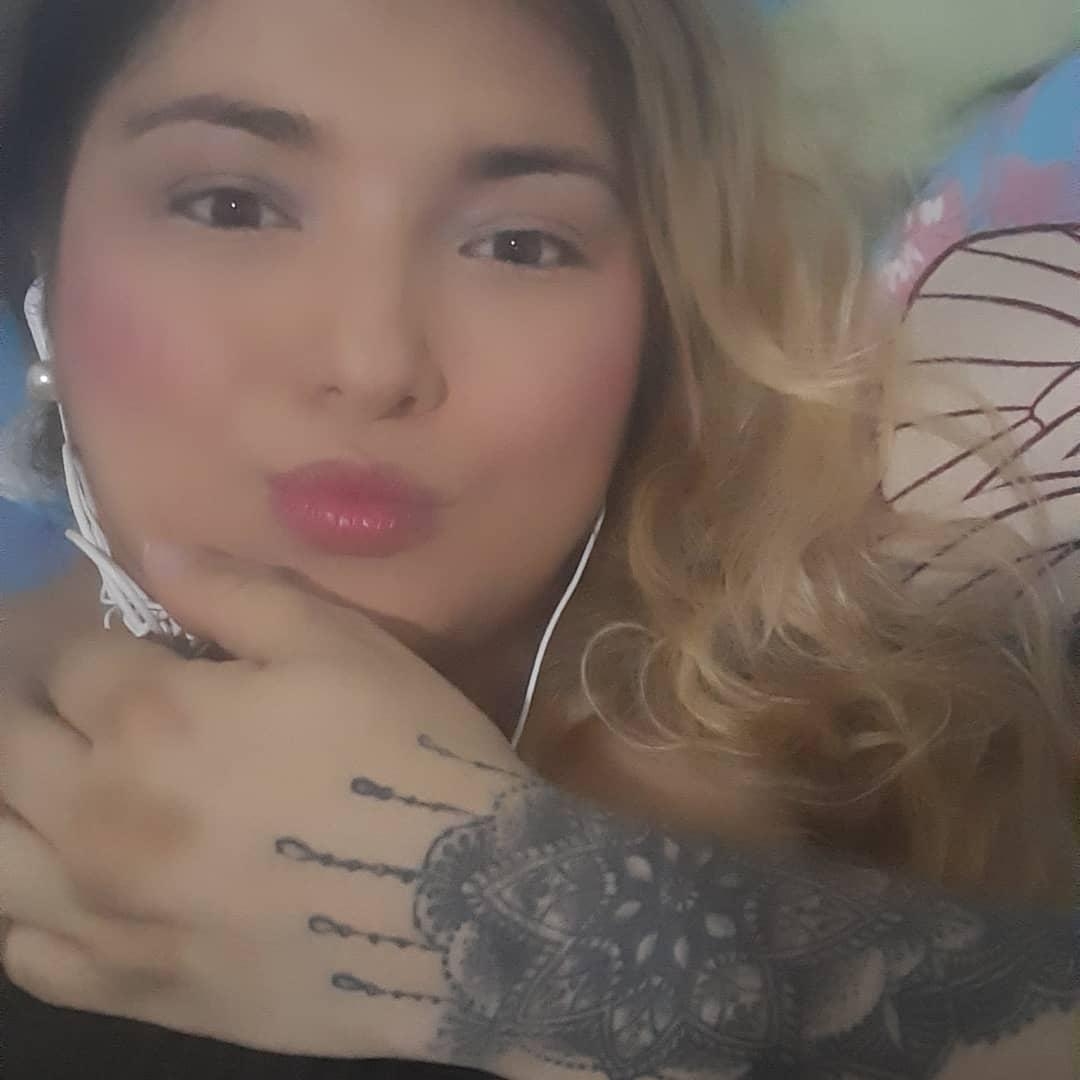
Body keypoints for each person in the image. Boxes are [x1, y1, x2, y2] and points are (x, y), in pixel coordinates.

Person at [0, 1, 1075, 1077]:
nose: (373, 363)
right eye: (231, 206)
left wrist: (538, 927)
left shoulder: (933, 751)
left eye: (519, 244)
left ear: (659, 325)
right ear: (39, 254)